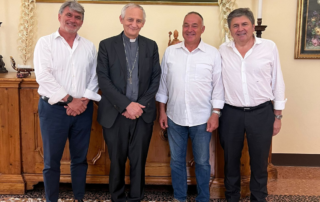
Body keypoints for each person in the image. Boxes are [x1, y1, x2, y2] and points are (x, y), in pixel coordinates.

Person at [34, 1, 101, 201]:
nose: (73, 20)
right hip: (53, 110)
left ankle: (78, 198)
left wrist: (84, 102)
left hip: (83, 110)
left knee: (80, 159)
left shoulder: (89, 47)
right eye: (69, 15)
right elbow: (43, 77)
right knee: (51, 161)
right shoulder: (45, 43)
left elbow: (95, 77)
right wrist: (70, 100)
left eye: (78, 17)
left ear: (82, 21)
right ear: (60, 16)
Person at [218, 8, 287, 202]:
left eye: (244, 24)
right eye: (235, 26)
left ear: (253, 26)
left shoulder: (269, 47)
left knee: (259, 161)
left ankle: (258, 197)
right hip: (231, 113)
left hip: (261, 112)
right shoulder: (223, 50)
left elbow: (277, 81)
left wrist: (278, 116)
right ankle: (232, 197)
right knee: (231, 160)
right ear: (230, 29)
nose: (240, 29)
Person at [156, 12, 225, 202]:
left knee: (202, 162)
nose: (189, 29)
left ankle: (203, 198)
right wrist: (162, 111)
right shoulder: (170, 52)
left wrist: (215, 113)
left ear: (202, 29)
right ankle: (180, 197)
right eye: (186, 25)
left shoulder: (213, 53)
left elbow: (218, 87)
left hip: (202, 118)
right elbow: (163, 85)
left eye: (195, 25)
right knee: (176, 161)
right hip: (174, 116)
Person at [96, 3, 161, 202]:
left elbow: (156, 79)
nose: (134, 24)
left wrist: (138, 106)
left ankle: (135, 197)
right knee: (116, 160)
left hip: (142, 114)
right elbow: (103, 80)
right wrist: (126, 105)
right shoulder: (106, 45)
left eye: (138, 20)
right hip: (115, 114)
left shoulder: (151, 46)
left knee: (139, 160)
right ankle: (116, 197)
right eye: (130, 19)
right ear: (121, 19)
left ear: (143, 23)